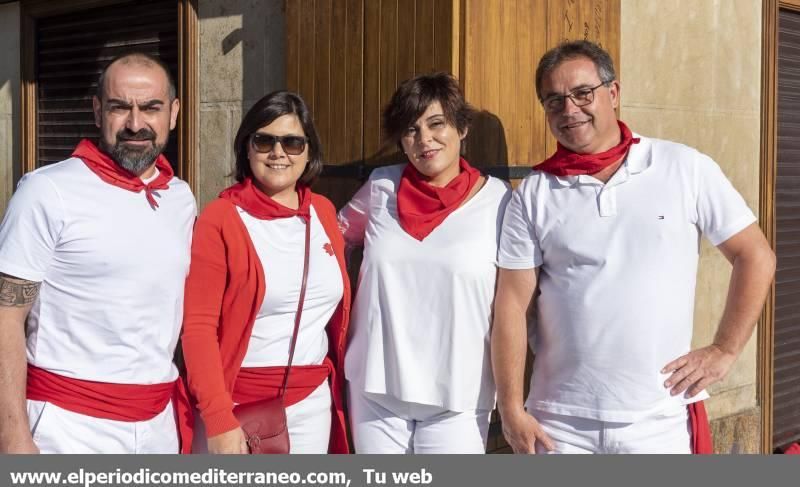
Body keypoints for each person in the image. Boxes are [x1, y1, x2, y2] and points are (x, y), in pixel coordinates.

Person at [492, 40, 776, 454]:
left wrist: (724, 349)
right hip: (559, 423)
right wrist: (512, 409)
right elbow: (510, 307)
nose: (569, 110)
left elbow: (755, 255)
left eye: (582, 93)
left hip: (658, 418)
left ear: (614, 93)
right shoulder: (535, 192)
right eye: (553, 100)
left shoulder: (684, 167)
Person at [0, 52, 196, 454]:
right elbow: (5, 316)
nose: (136, 124)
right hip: (67, 428)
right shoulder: (45, 191)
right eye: (120, 107)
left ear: (174, 113)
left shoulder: (181, 197)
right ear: (96, 110)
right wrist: (13, 437)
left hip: (159, 427)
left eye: (151, 108)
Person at [339, 72, 511, 453]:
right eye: (411, 130)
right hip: (375, 389)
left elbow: (527, 289)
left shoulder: (499, 201)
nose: (424, 140)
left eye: (437, 124)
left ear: (462, 128)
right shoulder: (380, 187)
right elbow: (330, 243)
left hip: (459, 396)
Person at [181, 91, 350, 454]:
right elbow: (197, 329)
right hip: (240, 409)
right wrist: (219, 418)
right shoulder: (221, 218)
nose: (278, 153)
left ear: (309, 151)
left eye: (292, 142)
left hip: (312, 405)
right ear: (246, 148)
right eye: (264, 140)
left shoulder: (322, 212)